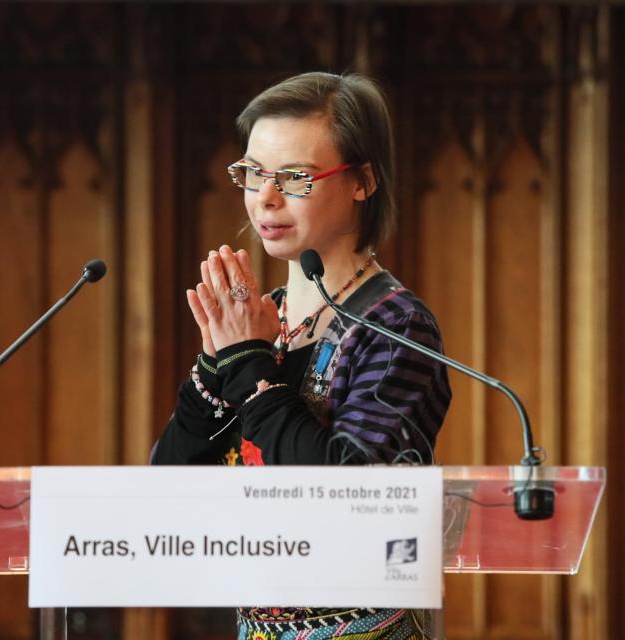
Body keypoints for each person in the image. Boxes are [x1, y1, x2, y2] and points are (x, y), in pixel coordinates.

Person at [152, 71, 451, 640]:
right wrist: (221, 369)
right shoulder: (267, 323)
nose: (265, 197)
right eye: (253, 173)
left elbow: (350, 494)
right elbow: (169, 488)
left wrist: (252, 368)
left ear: (363, 181)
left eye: (294, 177)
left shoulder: (396, 324)